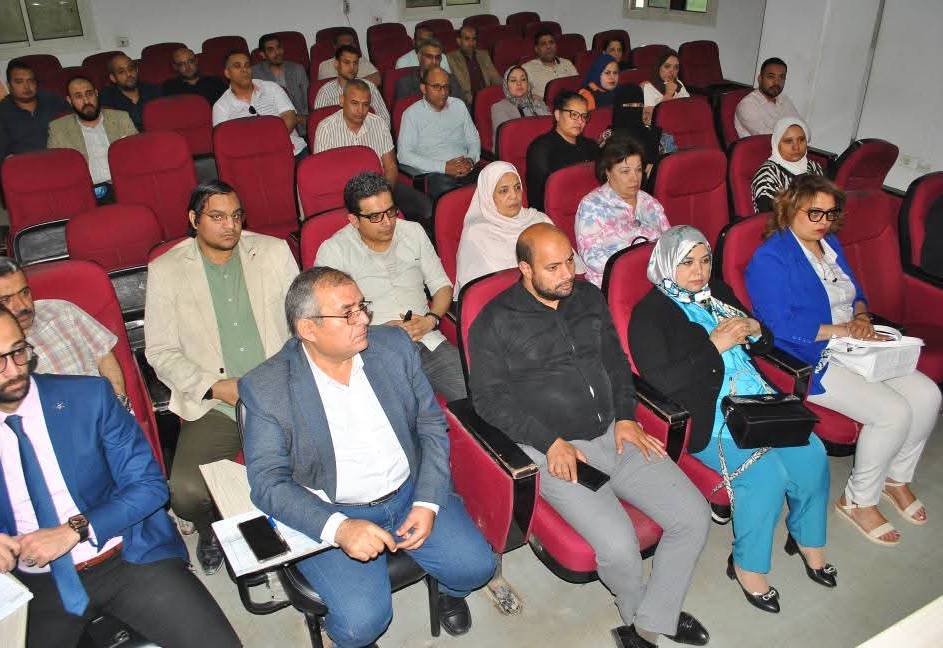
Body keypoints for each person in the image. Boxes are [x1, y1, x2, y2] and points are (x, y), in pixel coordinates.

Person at [468, 223, 711, 648]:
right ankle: (636, 612)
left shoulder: (587, 297)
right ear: (525, 269)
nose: (568, 274)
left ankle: (651, 620)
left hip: (615, 433)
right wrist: (548, 442)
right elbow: (488, 400)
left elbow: (616, 362)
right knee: (619, 548)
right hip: (559, 451)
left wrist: (627, 416)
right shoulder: (494, 321)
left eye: (570, 261)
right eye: (553, 267)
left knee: (693, 516)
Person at [240, 267, 495, 648]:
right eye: (348, 313)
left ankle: (448, 590)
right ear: (308, 328)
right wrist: (339, 528)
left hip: (409, 493)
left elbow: (430, 424)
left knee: (477, 568)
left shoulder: (393, 347)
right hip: (335, 508)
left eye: (363, 306)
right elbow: (267, 482)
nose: (363, 319)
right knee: (362, 625)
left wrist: (427, 501)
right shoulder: (267, 387)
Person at [0, 301, 240, 648]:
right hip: (34, 581)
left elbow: (149, 486)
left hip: (124, 556)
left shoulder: (89, 397)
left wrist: (73, 530)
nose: (13, 369)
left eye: (18, 351)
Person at [629, 225, 834, 614]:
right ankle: (747, 565)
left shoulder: (717, 292)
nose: (699, 271)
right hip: (708, 413)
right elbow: (661, 383)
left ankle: (807, 538)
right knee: (766, 477)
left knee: (812, 454)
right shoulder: (649, 315)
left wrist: (756, 330)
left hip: (757, 398)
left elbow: (762, 342)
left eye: (705, 260)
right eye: (687, 263)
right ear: (667, 263)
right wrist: (714, 346)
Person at [746, 174, 940, 546]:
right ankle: (857, 501)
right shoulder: (771, 258)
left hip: (855, 343)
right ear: (790, 209)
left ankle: (896, 478)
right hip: (813, 355)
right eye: (814, 213)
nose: (823, 221)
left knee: (928, 395)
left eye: (830, 214)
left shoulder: (830, 245)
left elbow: (857, 294)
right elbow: (777, 325)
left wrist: (862, 318)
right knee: (893, 413)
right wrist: (843, 330)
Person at [144, 179, 299, 575]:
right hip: (218, 402)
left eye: (236, 215)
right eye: (217, 217)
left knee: (314, 465)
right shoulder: (166, 270)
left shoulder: (272, 251)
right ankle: (212, 528)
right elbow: (160, 350)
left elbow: (303, 322)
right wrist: (215, 387)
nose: (230, 225)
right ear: (193, 219)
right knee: (186, 494)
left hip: (280, 390)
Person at [316, 172, 466, 401]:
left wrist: (431, 320)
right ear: (354, 220)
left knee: (477, 398)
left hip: (427, 341)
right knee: (397, 412)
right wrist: (378, 332)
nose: (388, 222)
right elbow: (329, 318)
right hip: (373, 350)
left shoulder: (413, 232)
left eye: (391, 211)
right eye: (376, 216)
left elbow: (442, 286)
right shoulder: (334, 251)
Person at [0, 256, 128, 402]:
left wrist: (120, 402)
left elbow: (103, 356)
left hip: (102, 410)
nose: (22, 306)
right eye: (5, 300)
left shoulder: (62, 312)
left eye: (24, 292)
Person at [313, 79, 433, 233]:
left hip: (381, 189)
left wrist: (383, 196)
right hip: (344, 195)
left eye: (365, 104)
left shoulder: (379, 124)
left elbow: (390, 167)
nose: (361, 110)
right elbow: (323, 178)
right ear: (342, 101)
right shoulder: (326, 129)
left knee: (426, 209)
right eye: (354, 103)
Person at [576, 137, 670, 287]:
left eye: (638, 170)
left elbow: (669, 242)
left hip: (655, 280)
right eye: (625, 171)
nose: (634, 178)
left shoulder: (649, 202)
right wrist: (637, 265)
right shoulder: (591, 206)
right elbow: (592, 258)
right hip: (615, 284)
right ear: (607, 172)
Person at [455, 161, 554, 293]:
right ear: (488, 196)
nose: (514, 196)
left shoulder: (539, 220)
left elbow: (568, 263)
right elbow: (482, 291)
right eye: (504, 191)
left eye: (517, 187)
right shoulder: (476, 233)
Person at [397, 66, 481, 202]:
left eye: (446, 87)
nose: (443, 92)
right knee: (451, 195)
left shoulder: (458, 105)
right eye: (436, 87)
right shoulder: (411, 114)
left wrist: (471, 160)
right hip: (437, 174)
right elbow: (404, 155)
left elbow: (473, 139)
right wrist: (444, 167)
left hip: (466, 168)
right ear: (423, 88)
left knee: (496, 176)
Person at [213, 50, 308, 157]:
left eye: (247, 65)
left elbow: (290, 119)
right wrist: (261, 147)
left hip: (292, 151)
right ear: (227, 73)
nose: (244, 70)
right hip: (253, 158)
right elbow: (225, 142)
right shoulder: (221, 106)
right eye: (237, 66)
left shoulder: (272, 87)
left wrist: (268, 142)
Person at [47, 76, 137, 190]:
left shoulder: (121, 118)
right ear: (70, 100)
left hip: (124, 185)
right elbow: (56, 169)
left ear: (96, 94)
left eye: (89, 94)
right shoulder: (58, 128)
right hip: (85, 191)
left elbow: (137, 155)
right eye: (78, 96)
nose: (86, 101)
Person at [525, 90, 599, 212]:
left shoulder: (591, 145)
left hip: (593, 210)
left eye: (584, 116)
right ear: (558, 115)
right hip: (556, 214)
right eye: (574, 114)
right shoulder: (540, 148)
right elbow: (538, 198)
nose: (580, 121)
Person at [0, 60, 66, 167]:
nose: (27, 86)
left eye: (30, 81)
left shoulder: (53, 100)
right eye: (19, 82)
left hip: (60, 161)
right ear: (9, 85)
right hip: (25, 167)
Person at [751, 117, 824, 213]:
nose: (796, 147)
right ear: (777, 143)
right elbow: (768, 216)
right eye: (788, 141)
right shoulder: (767, 175)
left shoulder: (814, 167)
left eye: (801, 139)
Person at [314, 45, 390, 128]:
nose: (352, 67)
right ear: (336, 64)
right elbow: (318, 126)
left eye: (355, 63)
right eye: (347, 62)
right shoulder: (325, 92)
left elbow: (384, 119)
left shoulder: (370, 87)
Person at [252, 33, 310, 136]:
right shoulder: (254, 74)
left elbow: (308, 101)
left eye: (278, 47)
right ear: (263, 54)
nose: (277, 52)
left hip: (300, 127)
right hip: (270, 127)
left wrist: (304, 119)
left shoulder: (297, 69)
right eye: (271, 50)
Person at [609, 83, 674, 169]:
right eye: (630, 105)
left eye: (639, 105)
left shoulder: (657, 136)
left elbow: (671, 167)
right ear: (618, 108)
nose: (635, 110)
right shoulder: (609, 136)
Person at [734, 57, 803, 139]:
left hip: (790, 145)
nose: (777, 82)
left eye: (781, 77)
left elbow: (804, 129)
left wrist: (798, 134)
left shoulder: (784, 99)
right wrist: (796, 135)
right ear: (760, 79)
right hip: (762, 147)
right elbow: (769, 138)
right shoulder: (747, 105)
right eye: (771, 77)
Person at [98, 54, 161, 132]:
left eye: (131, 69)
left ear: (137, 70)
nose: (129, 74)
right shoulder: (106, 98)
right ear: (113, 78)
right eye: (121, 72)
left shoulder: (153, 90)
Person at [491, 65, 550, 144]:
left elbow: (551, 126)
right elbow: (509, 138)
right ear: (506, 85)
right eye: (513, 80)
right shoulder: (498, 108)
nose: (519, 83)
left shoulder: (538, 103)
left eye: (523, 79)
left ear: (528, 83)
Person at [393, 39, 464, 104]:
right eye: (429, 57)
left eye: (437, 57)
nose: (434, 62)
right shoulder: (405, 84)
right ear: (419, 57)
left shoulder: (451, 80)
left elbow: (461, 108)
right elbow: (401, 111)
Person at [445, 25, 502, 106]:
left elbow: (495, 77)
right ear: (459, 41)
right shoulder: (450, 58)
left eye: (474, 39)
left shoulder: (484, 55)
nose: (471, 43)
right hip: (467, 102)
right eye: (467, 39)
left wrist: (507, 89)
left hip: (488, 97)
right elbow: (454, 88)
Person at [521, 30, 578, 102]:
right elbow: (520, 94)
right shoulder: (527, 68)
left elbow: (578, 85)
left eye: (551, 42)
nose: (548, 46)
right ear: (536, 49)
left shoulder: (567, 64)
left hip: (572, 104)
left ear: (556, 46)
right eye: (543, 44)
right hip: (544, 106)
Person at [317, 27, 382, 86]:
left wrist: (351, 84)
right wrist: (360, 82)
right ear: (335, 47)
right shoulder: (325, 66)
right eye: (343, 46)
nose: (347, 49)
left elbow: (377, 79)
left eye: (349, 46)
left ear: (354, 46)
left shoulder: (360, 60)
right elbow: (329, 89)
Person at [162, 47, 226, 106]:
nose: (187, 67)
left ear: (196, 61)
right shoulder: (169, 87)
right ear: (175, 67)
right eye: (181, 64)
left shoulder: (215, 82)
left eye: (190, 62)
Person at [641, 49, 689, 126]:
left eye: (676, 67)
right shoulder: (649, 87)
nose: (672, 71)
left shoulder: (679, 84)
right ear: (658, 67)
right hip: (663, 130)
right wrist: (668, 94)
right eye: (667, 66)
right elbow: (647, 121)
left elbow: (688, 109)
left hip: (682, 125)